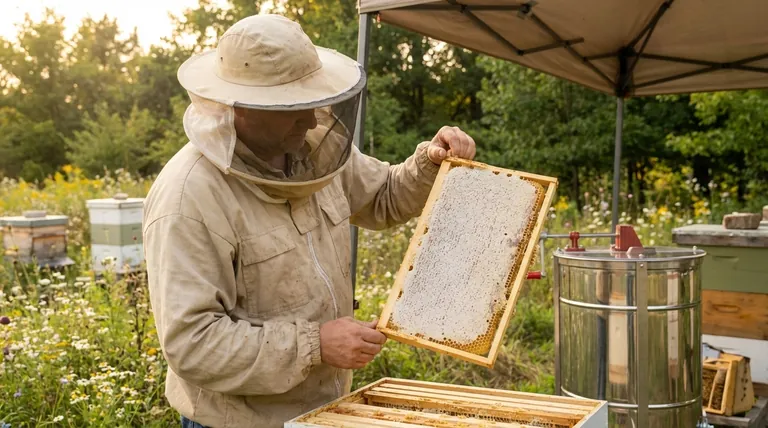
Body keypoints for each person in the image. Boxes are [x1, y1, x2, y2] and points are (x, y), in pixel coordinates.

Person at [142, 14, 477, 428]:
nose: (312, 118)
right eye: (292, 107)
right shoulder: (188, 196)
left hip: (323, 408)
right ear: (242, 107)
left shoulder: (313, 150)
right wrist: (314, 344)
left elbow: (384, 197)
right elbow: (193, 344)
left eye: (311, 102)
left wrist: (429, 162)